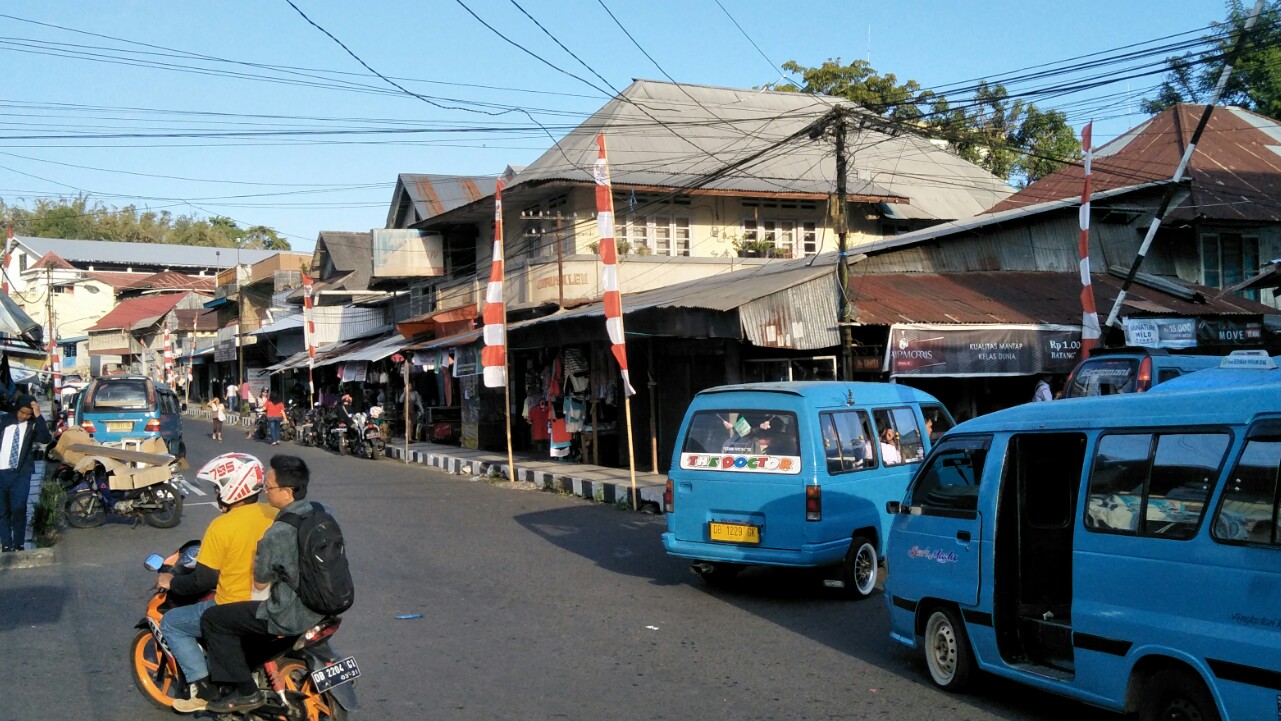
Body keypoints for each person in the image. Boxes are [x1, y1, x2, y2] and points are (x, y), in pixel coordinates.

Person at [201, 455, 328, 713]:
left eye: (268, 487)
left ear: (287, 491)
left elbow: (260, 581)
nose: (265, 491)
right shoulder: (319, 513)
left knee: (213, 619)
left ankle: (246, 692)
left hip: (286, 611)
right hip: (321, 603)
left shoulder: (278, 529)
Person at [157, 453, 278, 713]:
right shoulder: (275, 513)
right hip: (274, 601)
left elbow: (203, 579)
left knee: (172, 623)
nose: (216, 493)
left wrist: (173, 582)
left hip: (233, 605)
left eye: (217, 487)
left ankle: (203, 692)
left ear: (232, 487)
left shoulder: (221, 526)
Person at [0, 395, 51, 552]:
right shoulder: (4, 421)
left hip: (21, 474)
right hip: (1, 473)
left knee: (19, 507)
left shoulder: (33, 425)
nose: (24, 417)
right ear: (17, 409)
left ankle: (19, 543)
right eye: (22, 413)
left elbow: (45, 439)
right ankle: (7, 544)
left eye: (28, 414)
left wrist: (38, 415)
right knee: (2, 511)